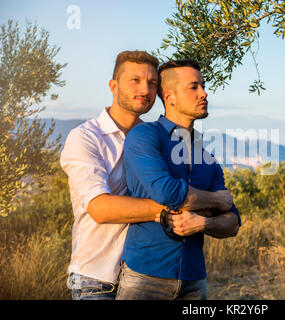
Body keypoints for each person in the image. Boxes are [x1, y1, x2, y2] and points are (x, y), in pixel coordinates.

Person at [60, 51, 233, 300]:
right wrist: (187, 208)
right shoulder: (86, 137)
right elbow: (100, 208)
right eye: (135, 80)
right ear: (113, 85)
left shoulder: (156, 138)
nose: (145, 89)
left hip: (145, 270)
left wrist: (201, 214)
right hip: (98, 277)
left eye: (152, 83)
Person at [116, 59, 241, 300]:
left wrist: (203, 224)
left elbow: (233, 222)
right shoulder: (145, 135)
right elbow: (167, 193)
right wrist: (217, 199)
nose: (204, 94)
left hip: (195, 280)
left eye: (203, 86)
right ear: (169, 96)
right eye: (194, 87)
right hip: (145, 278)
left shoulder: (206, 155)